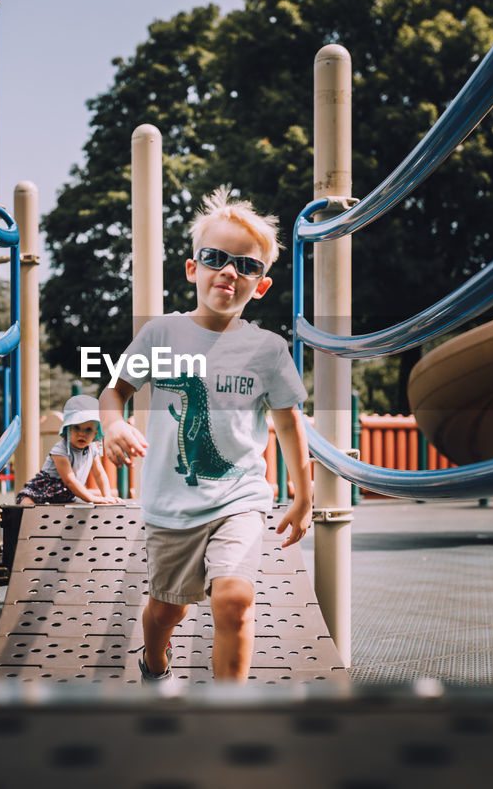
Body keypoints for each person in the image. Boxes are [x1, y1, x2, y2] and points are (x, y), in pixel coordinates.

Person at [100, 186, 313, 683]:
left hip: (239, 496)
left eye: (247, 265)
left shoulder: (268, 350)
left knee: (234, 600)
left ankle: (227, 712)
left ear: (260, 285)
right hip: (171, 508)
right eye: (215, 258)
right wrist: (113, 423)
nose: (229, 271)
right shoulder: (162, 334)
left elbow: (287, 423)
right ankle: (154, 656)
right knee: (165, 612)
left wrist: (304, 495)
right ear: (193, 268)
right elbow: (115, 391)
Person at [16, 394, 120, 506]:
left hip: (65, 497)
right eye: (76, 427)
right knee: (28, 505)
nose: (82, 433)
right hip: (41, 492)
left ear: (95, 433)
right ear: (67, 428)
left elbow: (99, 474)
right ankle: (24, 509)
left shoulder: (92, 449)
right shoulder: (60, 450)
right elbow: (69, 480)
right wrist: (91, 498)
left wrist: (107, 495)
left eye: (88, 429)